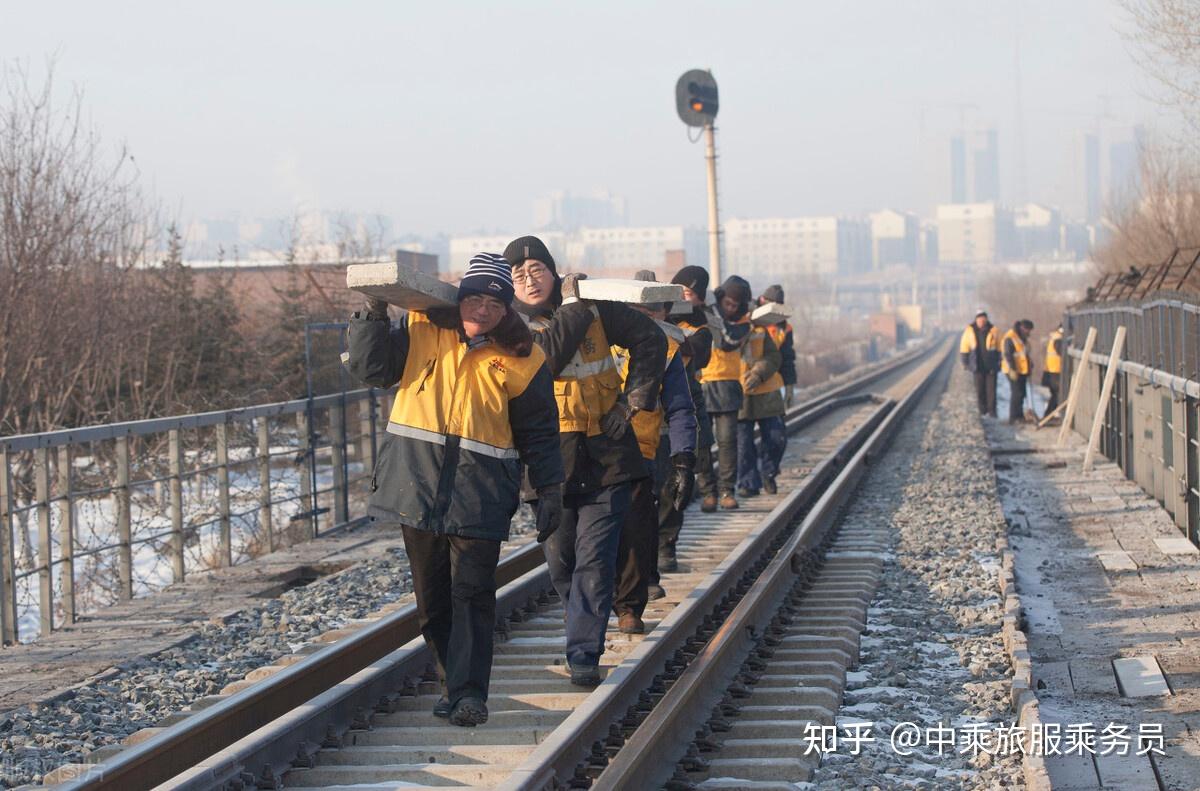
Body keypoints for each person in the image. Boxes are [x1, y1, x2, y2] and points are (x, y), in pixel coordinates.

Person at [347, 253, 564, 727]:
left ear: (507, 308)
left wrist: (549, 489)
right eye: (474, 298)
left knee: (473, 593)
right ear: (459, 297)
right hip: (416, 484)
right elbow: (371, 369)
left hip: (481, 490)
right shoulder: (421, 328)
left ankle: (469, 694)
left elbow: (541, 432)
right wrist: (373, 311)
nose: (482, 309)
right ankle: (451, 680)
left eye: (494, 301)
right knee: (432, 599)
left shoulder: (525, 357)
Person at [503, 235, 666, 686]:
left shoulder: (596, 307)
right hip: (550, 464)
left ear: (553, 272)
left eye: (537, 269)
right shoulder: (510, 326)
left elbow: (651, 339)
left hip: (608, 456)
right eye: (518, 274)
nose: (529, 280)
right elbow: (547, 360)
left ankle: (583, 654)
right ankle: (582, 624)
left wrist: (631, 401)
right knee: (562, 562)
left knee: (595, 560)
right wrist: (574, 307)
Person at [610, 270, 697, 633]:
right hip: (590, 444)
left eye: (654, 309)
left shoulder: (672, 348)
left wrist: (684, 458)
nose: (645, 316)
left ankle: (630, 603)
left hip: (642, 447)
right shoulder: (602, 339)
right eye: (636, 308)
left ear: (665, 311)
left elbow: (680, 408)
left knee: (636, 526)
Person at [660, 265, 713, 577]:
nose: (682, 297)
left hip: (683, 403)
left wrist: (672, 331)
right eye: (677, 290)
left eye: (689, 293)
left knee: (673, 484)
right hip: (647, 411)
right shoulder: (653, 315)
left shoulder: (701, 328)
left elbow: (700, 354)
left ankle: (666, 546)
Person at [694, 275, 755, 511]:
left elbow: (725, 341)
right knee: (702, 444)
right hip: (704, 384)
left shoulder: (742, 325)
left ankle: (727, 490)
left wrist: (714, 313)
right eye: (727, 303)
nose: (731, 308)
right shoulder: (706, 316)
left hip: (728, 386)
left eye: (735, 305)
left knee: (727, 442)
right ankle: (708, 492)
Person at [736, 287, 785, 497]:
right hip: (739, 393)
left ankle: (768, 473)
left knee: (776, 438)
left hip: (766, 391)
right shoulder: (723, 328)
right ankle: (748, 483)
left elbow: (775, 357)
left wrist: (758, 374)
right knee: (743, 444)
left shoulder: (761, 328)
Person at [759, 285, 797, 409]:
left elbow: (787, 359)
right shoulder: (748, 320)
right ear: (762, 301)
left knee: (776, 427)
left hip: (771, 386)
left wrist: (789, 386)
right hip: (747, 385)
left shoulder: (785, 329)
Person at [959, 309, 1000, 417]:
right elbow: (964, 347)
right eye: (979, 318)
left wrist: (999, 362)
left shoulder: (994, 331)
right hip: (977, 365)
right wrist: (965, 362)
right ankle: (982, 411)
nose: (981, 320)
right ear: (976, 319)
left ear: (986, 319)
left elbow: (999, 348)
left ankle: (992, 412)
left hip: (991, 365)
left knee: (991, 391)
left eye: (983, 318)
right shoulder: (970, 331)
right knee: (980, 390)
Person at [1002, 319, 1035, 423]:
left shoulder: (1021, 338)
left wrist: (1029, 365)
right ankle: (1013, 417)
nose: (1029, 333)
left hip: (1022, 370)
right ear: (1022, 328)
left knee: (1021, 393)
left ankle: (1019, 416)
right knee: (1016, 393)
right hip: (1012, 370)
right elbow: (1008, 355)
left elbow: (1023, 354)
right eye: (1028, 330)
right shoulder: (1010, 337)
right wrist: (1013, 369)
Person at [1043, 324, 1064, 418]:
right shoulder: (1058, 338)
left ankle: (1050, 414)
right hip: (1054, 370)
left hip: (1051, 370)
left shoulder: (1054, 336)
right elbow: (1060, 352)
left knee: (1055, 394)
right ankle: (1049, 415)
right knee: (1057, 393)